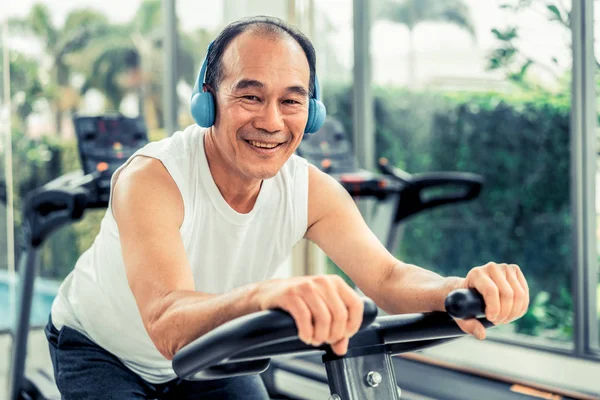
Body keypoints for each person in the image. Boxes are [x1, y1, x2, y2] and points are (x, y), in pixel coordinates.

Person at [45, 15, 530, 400]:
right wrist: (266, 296)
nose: (272, 121)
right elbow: (167, 322)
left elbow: (386, 278)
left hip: (208, 349)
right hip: (101, 350)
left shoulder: (309, 190)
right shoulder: (152, 178)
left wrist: (457, 289)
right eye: (250, 96)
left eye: (291, 101)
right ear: (208, 103)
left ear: (312, 112)